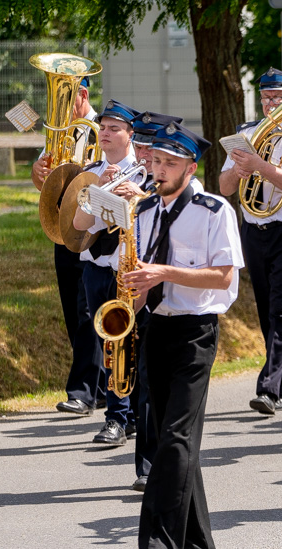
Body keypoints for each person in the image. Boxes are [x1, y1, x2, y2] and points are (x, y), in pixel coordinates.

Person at [126, 122, 244, 549]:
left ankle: (161, 544)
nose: (158, 169)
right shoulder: (141, 212)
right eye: (155, 161)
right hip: (155, 328)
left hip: (196, 331)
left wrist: (164, 273)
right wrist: (126, 310)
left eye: (169, 163)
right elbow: (139, 279)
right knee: (170, 437)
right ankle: (200, 543)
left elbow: (223, 277)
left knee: (174, 438)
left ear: (191, 167)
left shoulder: (214, 211)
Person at [218, 68, 282, 416]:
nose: (271, 104)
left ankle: (268, 388)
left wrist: (260, 165)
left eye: (278, 98)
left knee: (281, 310)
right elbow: (225, 187)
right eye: (267, 98)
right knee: (269, 311)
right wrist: (239, 169)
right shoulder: (245, 134)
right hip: (254, 228)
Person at [33, 77, 104, 416]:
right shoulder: (60, 134)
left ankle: (82, 392)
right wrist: (38, 171)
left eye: (66, 97)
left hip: (91, 232)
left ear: (83, 95)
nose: (57, 108)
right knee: (72, 312)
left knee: (88, 310)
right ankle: (100, 385)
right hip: (62, 229)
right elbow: (44, 184)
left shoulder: (101, 130)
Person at [72, 100, 141, 447]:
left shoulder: (143, 171)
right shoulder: (93, 170)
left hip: (128, 272)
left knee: (128, 346)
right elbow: (79, 224)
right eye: (104, 127)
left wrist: (136, 196)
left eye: (115, 128)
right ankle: (122, 414)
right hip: (96, 270)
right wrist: (97, 187)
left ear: (130, 135)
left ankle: (121, 417)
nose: (107, 134)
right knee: (108, 345)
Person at [124, 111, 185, 491]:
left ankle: (158, 463)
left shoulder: (161, 185)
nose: (145, 154)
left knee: (158, 386)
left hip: (171, 295)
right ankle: (146, 464)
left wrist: (141, 198)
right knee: (143, 382)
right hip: (135, 288)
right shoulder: (127, 178)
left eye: (151, 147)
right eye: (142, 146)